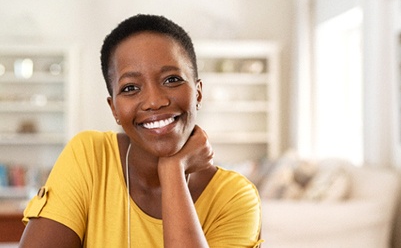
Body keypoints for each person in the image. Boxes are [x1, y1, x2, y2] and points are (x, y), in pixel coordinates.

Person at [19, 14, 263, 248]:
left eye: (171, 80)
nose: (154, 101)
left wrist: (171, 170)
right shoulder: (90, 156)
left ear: (198, 92)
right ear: (114, 108)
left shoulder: (235, 197)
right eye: (130, 88)